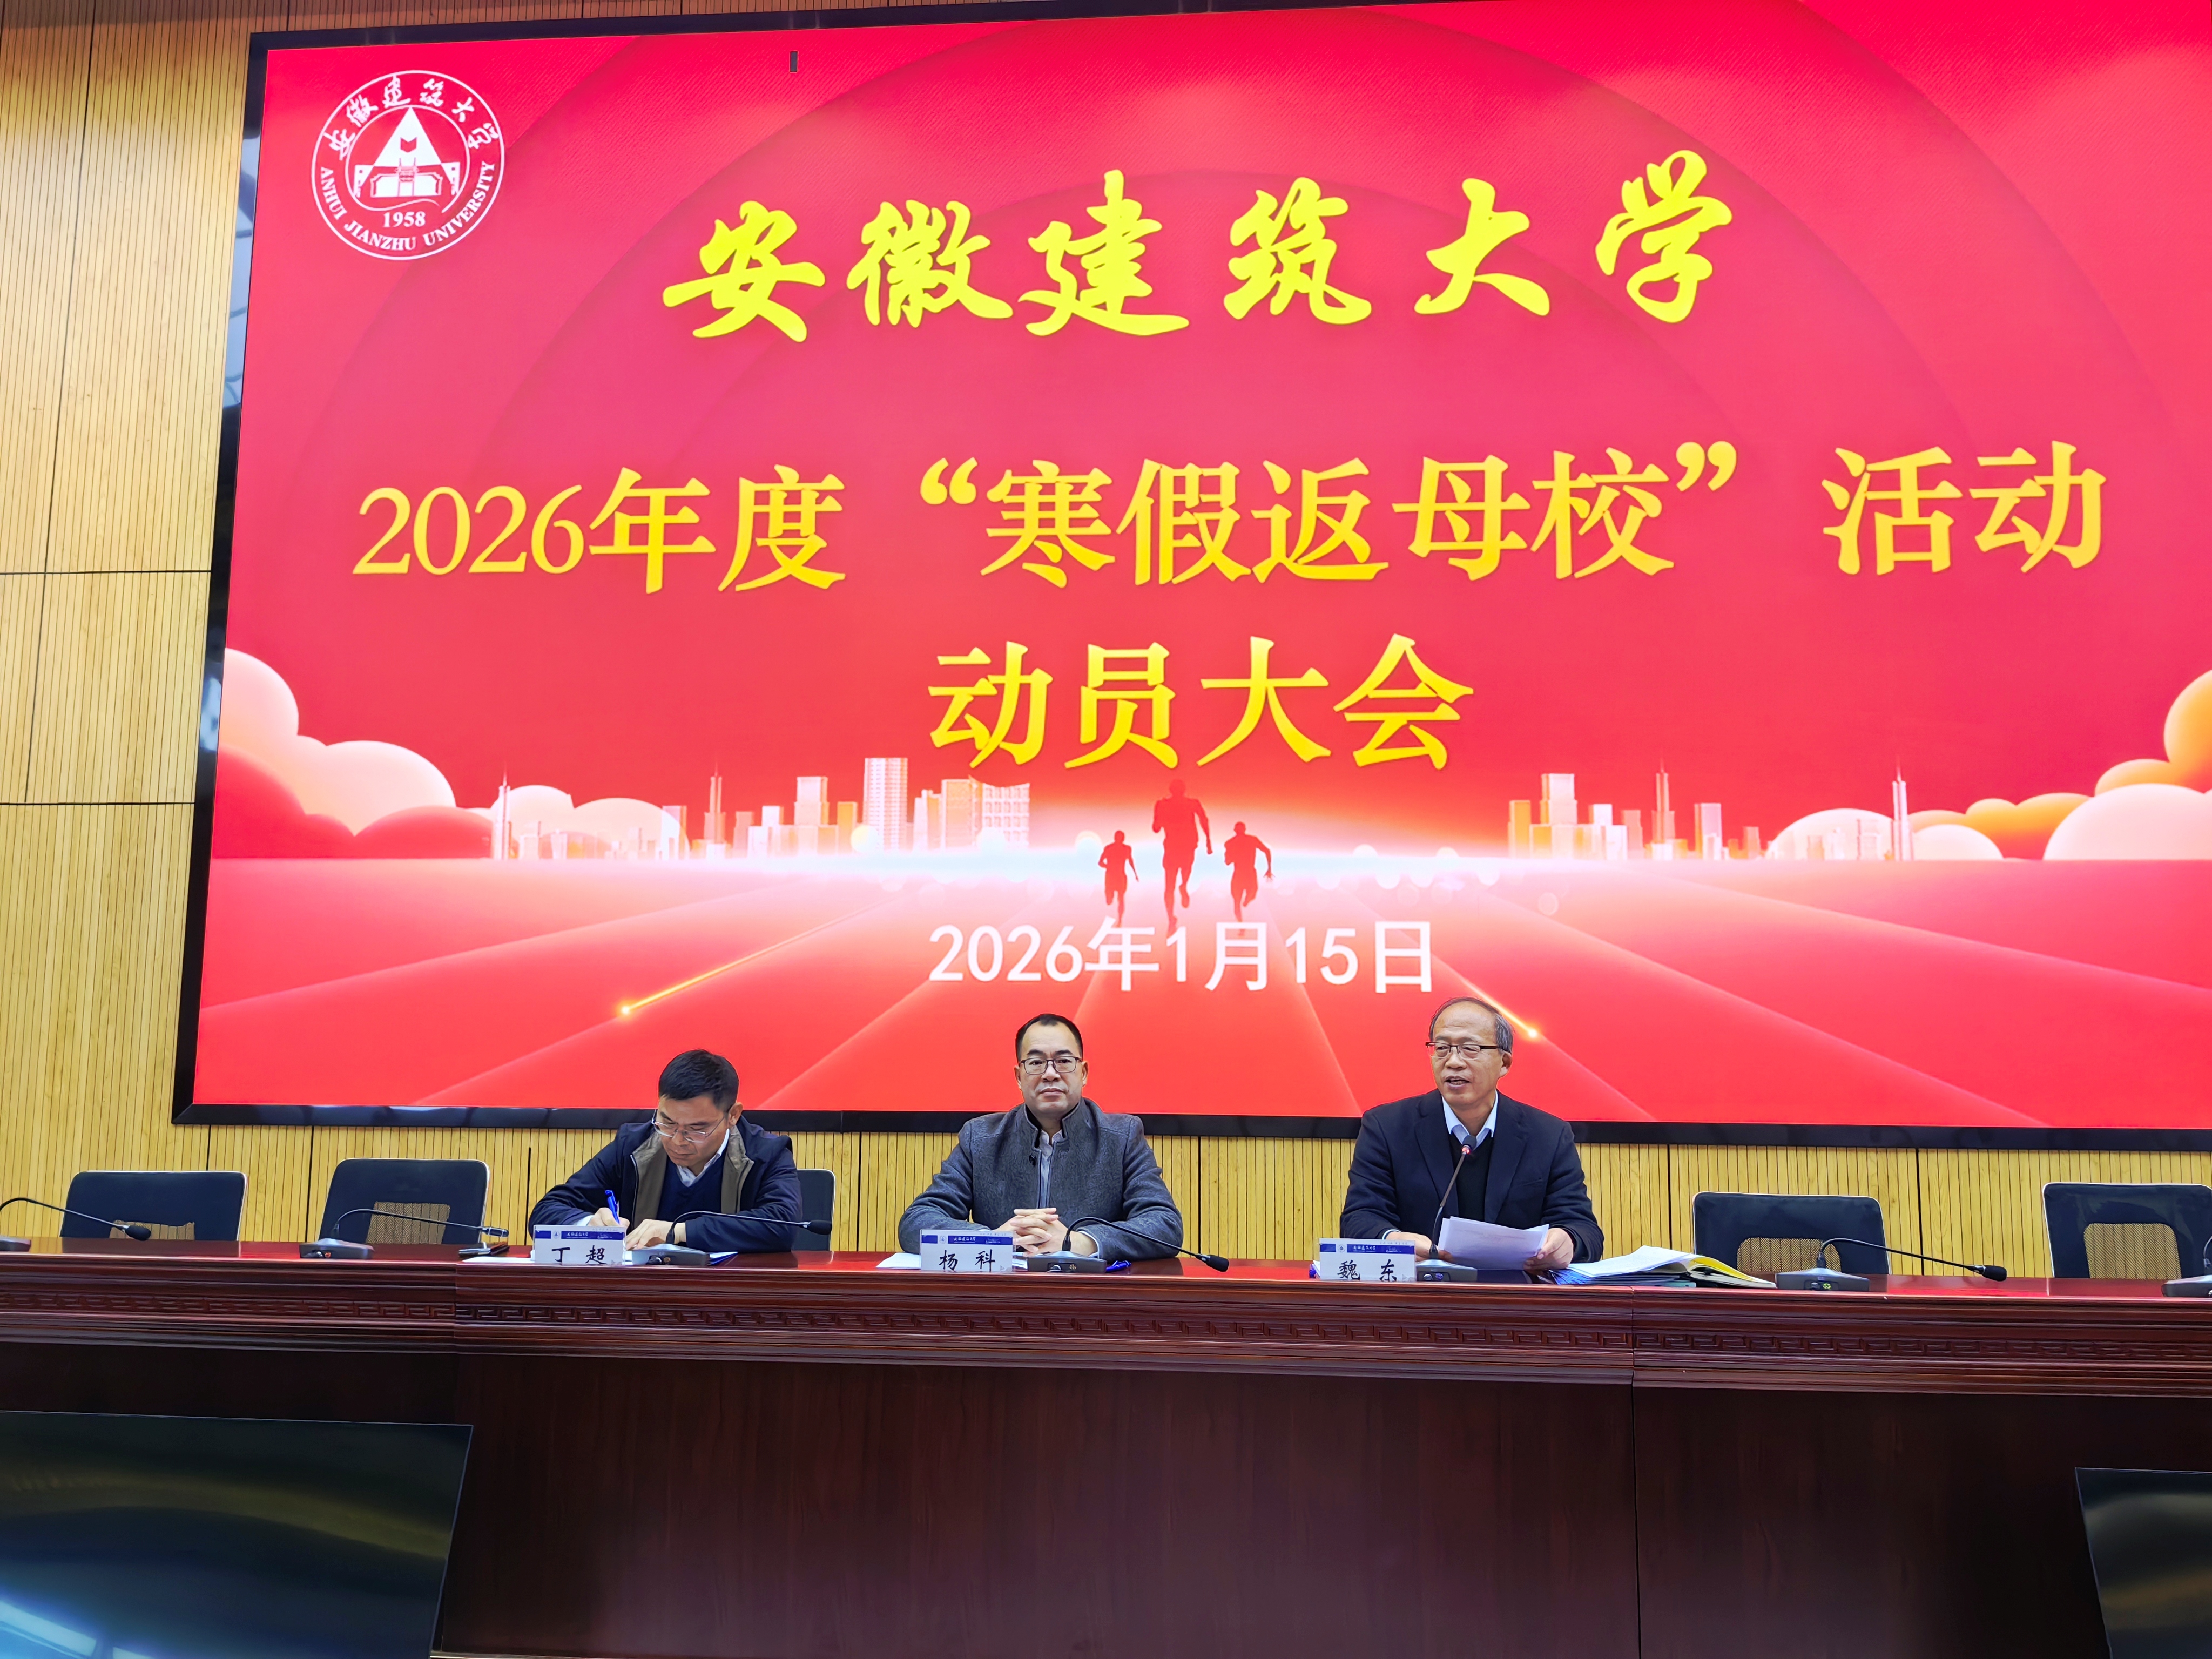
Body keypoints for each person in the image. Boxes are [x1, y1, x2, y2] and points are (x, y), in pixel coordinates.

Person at [1339, 996, 1600, 1270]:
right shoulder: (1386, 1127)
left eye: (1470, 1049)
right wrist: (1394, 1241)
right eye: (1442, 1048)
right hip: (1422, 1290)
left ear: (1504, 1062)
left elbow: (1584, 1229)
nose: (1453, 1062)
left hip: (1515, 1292)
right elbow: (1360, 1218)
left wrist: (1567, 1240)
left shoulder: (1549, 1135)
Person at [899, 1013, 1184, 1262]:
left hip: (1091, 1299)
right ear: (1019, 1076)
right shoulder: (981, 1138)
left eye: (1064, 1061)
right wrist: (994, 1240)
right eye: (1036, 1062)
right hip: (1003, 1298)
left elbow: (1164, 1225)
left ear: (1084, 1072)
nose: (1050, 1074)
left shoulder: (1122, 1137)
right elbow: (917, 1222)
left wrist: (1079, 1242)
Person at [531, 1048, 803, 1253]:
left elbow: (782, 1225)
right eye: (667, 1122)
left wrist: (678, 1232)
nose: (677, 1140)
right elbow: (547, 1211)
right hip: (643, 1295)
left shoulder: (766, 1153)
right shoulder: (635, 1146)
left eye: (697, 1129)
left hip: (730, 1297)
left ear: (733, 1115)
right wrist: (588, 1223)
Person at [1151, 778, 1210, 922]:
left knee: (1170, 884)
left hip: (1175, 845)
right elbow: (1204, 820)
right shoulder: (1190, 804)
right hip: (1185, 844)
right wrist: (1208, 840)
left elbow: (1156, 828)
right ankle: (1183, 887)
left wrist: (1163, 820)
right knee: (1185, 869)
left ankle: (1171, 916)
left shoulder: (1164, 805)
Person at [1223, 820, 1271, 921]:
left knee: (1250, 896)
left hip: (1247, 873)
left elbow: (1267, 851)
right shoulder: (1230, 843)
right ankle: (1241, 924)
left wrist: (1269, 869)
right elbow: (1227, 862)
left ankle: (1246, 903)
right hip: (1240, 874)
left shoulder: (1250, 840)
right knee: (1237, 902)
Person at [1099, 830, 1138, 925]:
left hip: (1121, 877)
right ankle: (1110, 896)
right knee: (1109, 901)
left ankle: (1120, 920)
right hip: (1111, 877)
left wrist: (1135, 874)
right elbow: (1100, 862)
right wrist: (1109, 867)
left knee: (1121, 898)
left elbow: (1131, 861)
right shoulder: (1109, 848)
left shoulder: (1127, 849)